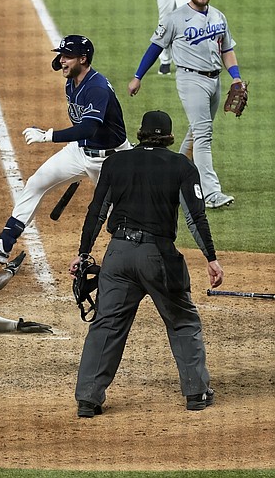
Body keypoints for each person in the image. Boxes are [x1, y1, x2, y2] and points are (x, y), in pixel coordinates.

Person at [69, 110, 223, 418]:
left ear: (140, 134)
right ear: (168, 137)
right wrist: (211, 258)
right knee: (182, 320)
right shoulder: (181, 166)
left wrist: (83, 252)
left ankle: (88, 399)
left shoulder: (116, 163)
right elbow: (196, 217)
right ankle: (196, 393)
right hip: (158, 256)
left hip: (119, 254)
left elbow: (97, 211)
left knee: (107, 324)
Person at [0, 35, 131, 265]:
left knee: (121, 215)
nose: (61, 61)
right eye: (61, 55)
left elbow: (88, 128)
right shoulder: (71, 80)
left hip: (111, 160)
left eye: (67, 56)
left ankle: (134, 259)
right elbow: (84, 131)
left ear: (83, 59)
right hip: (81, 151)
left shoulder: (97, 87)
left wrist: (49, 136)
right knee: (37, 182)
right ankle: (3, 244)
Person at [129, 0, 242, 209]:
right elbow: (154, 48)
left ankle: (172, 179)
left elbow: (227, 50)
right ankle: (211, 194)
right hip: (191, 81)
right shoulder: (175, 18)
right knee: (203, 135)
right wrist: (138, 76)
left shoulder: (219, 17)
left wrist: (236, 77)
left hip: (215, 81)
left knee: (196, 132)